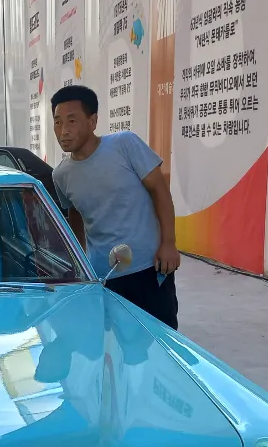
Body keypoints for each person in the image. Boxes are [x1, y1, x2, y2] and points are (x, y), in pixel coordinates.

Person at [50, 84, 181, 329]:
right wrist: (80, 266)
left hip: (150, 268)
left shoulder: (125, 144)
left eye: (72, 121)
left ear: (93, 121)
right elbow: (76, 214)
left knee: (160, 345)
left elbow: (160, 191)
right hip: (104, 278)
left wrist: (169, 243)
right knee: (113, 349)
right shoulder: (61, 175)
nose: (64, 131)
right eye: (57, 122)